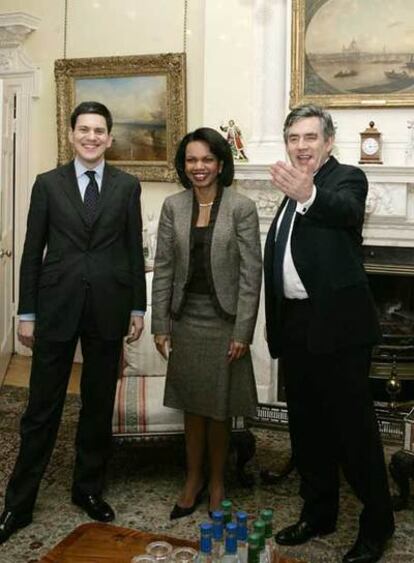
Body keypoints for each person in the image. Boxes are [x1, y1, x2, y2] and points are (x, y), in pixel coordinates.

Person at [0, 101, 146, 544]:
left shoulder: (126, 186)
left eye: (100, 130)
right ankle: (18, 504)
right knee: (41, 410)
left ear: (109, 137)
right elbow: (31, 253)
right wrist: (26, 312)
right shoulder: (47, 185)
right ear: (70, 134)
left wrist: (137, 308)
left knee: (98, 406)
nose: (91, 137)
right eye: (84, 129)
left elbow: (133, 250)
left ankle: (88, 489)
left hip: (108, 308)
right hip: (57, 309)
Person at [263, 104, 395, 563]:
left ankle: (378, 525)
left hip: (339, 330)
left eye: (310, 137)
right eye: (293, 139)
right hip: (298, 328)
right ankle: (319, 512)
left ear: (328, 141)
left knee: (353, 435)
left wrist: (309, 195)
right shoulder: (289, 189)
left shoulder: (345, 179)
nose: (301, 146)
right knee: (308, 430)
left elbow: (344, 212)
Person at [152, 127, 261, 518]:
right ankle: (192, 479)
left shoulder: (241, 207)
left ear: (220, 163)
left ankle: (217, 483)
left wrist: (243, 331)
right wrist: (159, 325)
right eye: (192, 160)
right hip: (184, 321)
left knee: (218, 409)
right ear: (184, 165)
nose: (199, 167)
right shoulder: (173, 206)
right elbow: (163, 268)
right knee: (191, 407)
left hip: (223, 323)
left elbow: (252, 274)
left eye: (207, 159)